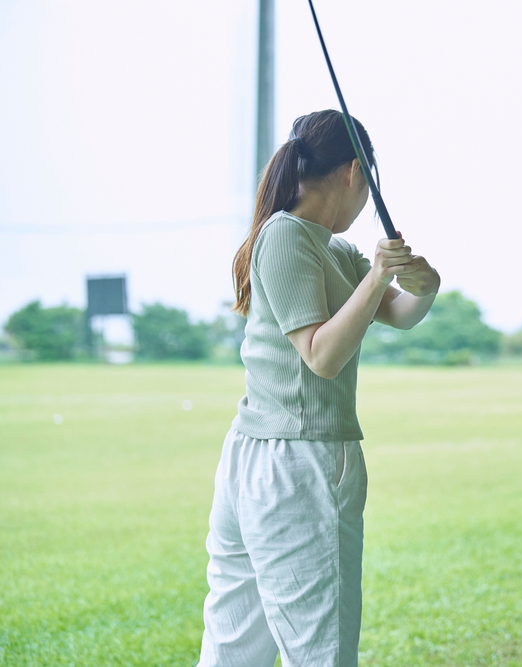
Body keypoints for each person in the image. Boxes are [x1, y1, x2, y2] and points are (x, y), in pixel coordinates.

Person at [198, 109, 440, 667]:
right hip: (297, 464)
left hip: (266, 457)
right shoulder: (285, 236)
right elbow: (322, 356)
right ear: (356, 172)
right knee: (319, 651)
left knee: (236, 647)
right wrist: (379, 274)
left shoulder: (336, 249)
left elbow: (399, 314)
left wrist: (425, 287)